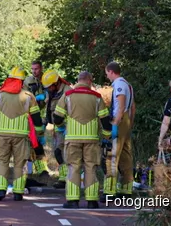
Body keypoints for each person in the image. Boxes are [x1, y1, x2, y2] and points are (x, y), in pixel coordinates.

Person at [53, 71, 112, 209]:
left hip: (72, 139)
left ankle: (73, 200)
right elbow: (105, 121)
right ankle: (92, 201)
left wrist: (62, 126)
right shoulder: (97, 98)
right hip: (91, 139)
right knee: (91, 168)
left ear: (78, 80)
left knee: (73, 168)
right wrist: (107, 136)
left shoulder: (67, 95)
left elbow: (57, 117)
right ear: (90, 81)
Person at [0, 66, 44, 202]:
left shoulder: (0, 95)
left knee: (2, 162)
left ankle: (0, 189)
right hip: (22, 136)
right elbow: (36, 118)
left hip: (3, 135)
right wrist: (40, 134)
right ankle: (18, 192)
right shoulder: (29, 96)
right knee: (20, 163)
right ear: (23, 81)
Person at [103, 61, 135, 198]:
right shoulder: (128, 84)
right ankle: (126, 188)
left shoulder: (119, 85)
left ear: (111, 71)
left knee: (112, 154)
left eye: (107, 74)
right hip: (126, 120)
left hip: (119, 119)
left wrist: (116, 123)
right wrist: (130, 123)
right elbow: (133, 107)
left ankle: (110, 190)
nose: (107, 77)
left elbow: (120, 104)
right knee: (125, 155)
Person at [41, 69, 72, 188]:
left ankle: (66, 179)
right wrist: (44, 123)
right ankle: (64, 176)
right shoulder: (52, 92)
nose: (48, 89)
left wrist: (65, 126)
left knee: (63, 152)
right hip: (57, 127)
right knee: (58, 152)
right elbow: (49, 108)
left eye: (50, 86)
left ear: (56, 83)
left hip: (67, 127)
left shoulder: (67, 91)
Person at [23, 60, 50, 182]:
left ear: (41, 68)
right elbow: (24, 96)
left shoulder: (47, 80)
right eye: (32, 69)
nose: (34, 71)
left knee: (38, 143)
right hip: (30, 115)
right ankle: (29, 170)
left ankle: (42, 169)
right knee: (29, 142)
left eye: (36, 69)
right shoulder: (28, 81)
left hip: (43, 116)